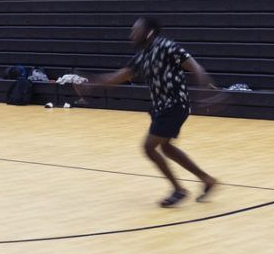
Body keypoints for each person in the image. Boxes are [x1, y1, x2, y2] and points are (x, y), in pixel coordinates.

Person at [83, 16, 223, 207]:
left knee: (149, 147)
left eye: (136, 30)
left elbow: (194, 66)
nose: (132, 34)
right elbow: (118, 77)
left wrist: (205, 91)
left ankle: (178, 190)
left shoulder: (167, 46)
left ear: (148, 32)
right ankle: (207, 179)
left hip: (174, 105)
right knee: (165, 147)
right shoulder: (142, 56)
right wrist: (92, 82)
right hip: (161, 107)